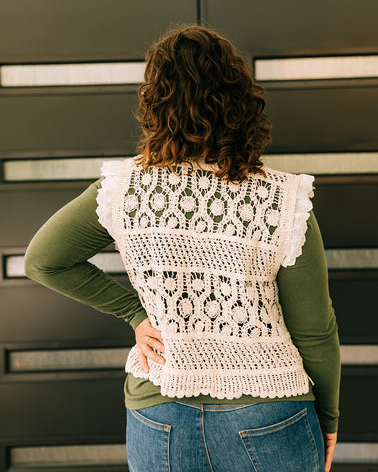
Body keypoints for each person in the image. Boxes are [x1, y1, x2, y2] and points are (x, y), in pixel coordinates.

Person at [25, 25, 340, 472]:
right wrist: (328, 418)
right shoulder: (283, 200)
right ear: (242, 102)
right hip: (271, 413)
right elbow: (315, 331)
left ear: (154, 104)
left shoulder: (123, 190)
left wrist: (134, 313)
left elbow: (42, 261)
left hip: (160, 412)